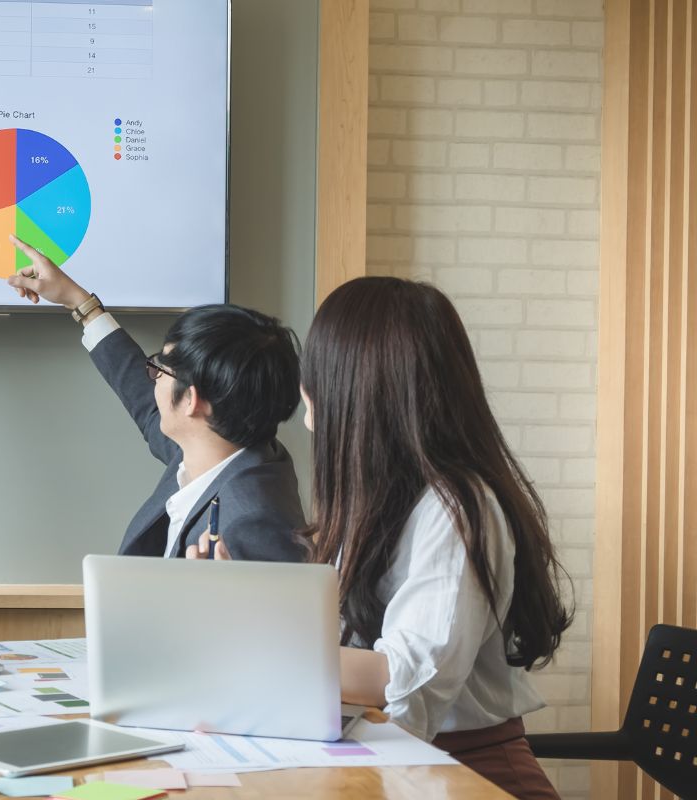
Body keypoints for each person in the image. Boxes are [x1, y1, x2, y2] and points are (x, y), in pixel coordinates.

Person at [188, 276, 571, 800]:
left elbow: (406, 677)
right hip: (398, 760)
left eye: (315, 389)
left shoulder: (457, 508)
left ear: (357, 391)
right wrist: (247, 608)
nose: (308, 415)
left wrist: (254, 644)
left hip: (470, 775)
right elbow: (347, 644)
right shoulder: (380, 499)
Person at [7, 237, 307, 562]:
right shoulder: (224, 450)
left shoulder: (251, 524)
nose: (153, 380)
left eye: (159, 369)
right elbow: (146, 403)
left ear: (192, 401)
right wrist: (80, 303)